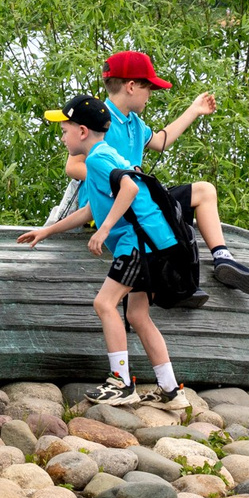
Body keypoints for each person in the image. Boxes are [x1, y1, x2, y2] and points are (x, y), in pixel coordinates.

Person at [18, 51, 249, 294]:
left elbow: (161, 141)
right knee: (164, 216)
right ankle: (178, 282)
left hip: (135, 200)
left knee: (204, 191)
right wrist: (122, 176)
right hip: (109, 206)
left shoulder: (135, 123)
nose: (150, 95)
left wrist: (194, 110)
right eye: (148, 88)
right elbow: (72, 166)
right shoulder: (100, 119)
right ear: (130, 87)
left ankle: (222, 258)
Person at [39, 94, 182, 405]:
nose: (62, 137)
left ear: (82, 131)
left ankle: (120, 382)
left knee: (104, 304)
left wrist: (104, 232)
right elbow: (91, 209)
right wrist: (46, 231)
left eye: (64, 130)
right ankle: (171, 389)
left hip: (137, 244)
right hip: (156, 243)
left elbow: (129, 189)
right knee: (138, 315)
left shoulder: (96, 159)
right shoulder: (107, 155)